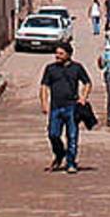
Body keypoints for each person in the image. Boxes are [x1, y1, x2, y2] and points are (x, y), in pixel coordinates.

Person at [39, 42, 91, 173]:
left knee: (72, 136)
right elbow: (44, 86)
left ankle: (71, 163)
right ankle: (60, 153)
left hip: (72, 107)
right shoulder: (50, 69)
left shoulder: (77, 68)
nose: (57, 56)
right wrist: (44, 103)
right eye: (56, 53)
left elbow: (87, 83)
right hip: (55, 107)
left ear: (68, 54)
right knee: (53, 134)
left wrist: (83, 97)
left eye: (61, 53)